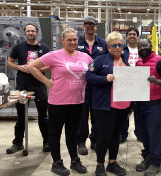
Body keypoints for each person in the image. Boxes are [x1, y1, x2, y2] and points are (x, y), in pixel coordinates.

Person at [27, 25, 92, 176]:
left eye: (75, 39)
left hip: (77, 101)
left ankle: (74, 160)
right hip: (58, 101)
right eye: (69, 40)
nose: (72, 42)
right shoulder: (54, 55)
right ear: (62, 40)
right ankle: (56, 162)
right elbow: (32, 66)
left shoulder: (85, 57)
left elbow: (93, 71)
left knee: (72, 133)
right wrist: (47, 82)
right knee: (55, 133)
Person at [86, 31, 129, 176]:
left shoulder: (125, 60)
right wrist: (104, 79)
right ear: (108, 47)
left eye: (120, 44)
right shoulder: (100, 60)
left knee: (116, 135)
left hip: (123, 106)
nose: (117, 47)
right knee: (104, 135)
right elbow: (89, 75)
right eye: (114, 45)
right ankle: (100, 164)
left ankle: (112, 163)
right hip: (105, 106)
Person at [6, 23, 50, 154]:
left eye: (33, 31)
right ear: (25, 33)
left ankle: (47, 142)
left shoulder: (44, 48)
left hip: (40, 85)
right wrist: (20, 67)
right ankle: (18, 143)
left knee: (43, 116)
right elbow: (9, 62)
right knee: (21, 116)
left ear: (37, 33)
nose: (31, 33)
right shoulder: (18, 47)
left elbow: (50, 65)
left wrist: (35, 69)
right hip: (22, 85)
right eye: (28, 31)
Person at [134, 39, 161, 176]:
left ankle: (155, 163)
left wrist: (157, 82)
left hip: (156, 104)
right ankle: (147, 157)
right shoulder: (138, 62)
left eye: (145, 45)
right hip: (140, 104)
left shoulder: (160, 62)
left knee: (154, 135)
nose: (143, 48)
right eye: (140, 46)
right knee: (142, 134)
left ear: (151, 46)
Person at [77, 16, 108, 155]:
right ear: (83, 26)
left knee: (97, 114)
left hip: (98, 85)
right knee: (82, 115)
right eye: (87, 24)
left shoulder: (103, 43)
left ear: (96, 27)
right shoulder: (76, 42)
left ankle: (94, 139)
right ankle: (81, 142)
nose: (89, 26)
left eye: (92, 24)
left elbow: (108, 60)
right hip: (80, 85)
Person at [119, 27, 141, 143]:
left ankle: (139, 133)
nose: (132, 36)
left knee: (138, 109)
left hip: (139, 82)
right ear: (126, 37)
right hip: (125, 83)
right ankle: (122, 133)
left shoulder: (142, 50)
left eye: (134, 34)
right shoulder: (121, 50)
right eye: (129, 34)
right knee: (124, 109)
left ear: (137, 37)